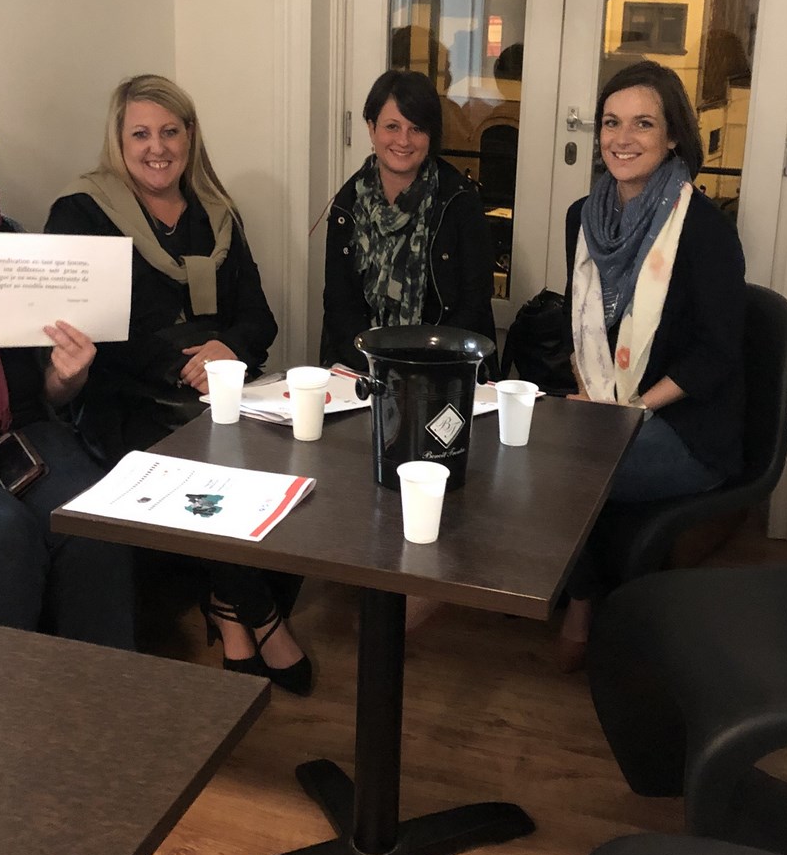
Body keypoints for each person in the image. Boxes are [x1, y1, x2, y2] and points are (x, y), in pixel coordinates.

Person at [45, 74, 311, 693]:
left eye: (170, 131)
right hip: (126, 398)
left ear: (190, 136)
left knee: (298, 449)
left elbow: (259, 318)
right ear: (118, 140)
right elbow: (92, 327)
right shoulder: (81, 212)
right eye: (140, 134)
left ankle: (226, 608)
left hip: (218, 389)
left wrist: (227, 349)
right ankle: (262, 617)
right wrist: (185, 366)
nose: (157, 147)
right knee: (211, 462)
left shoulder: (216, 214)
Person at [0, 76, 134, 647]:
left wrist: (66, 375)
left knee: (96, 521)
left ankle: (104, 691)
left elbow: (41, 395)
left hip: (14, 429)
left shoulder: (10, 239)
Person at [557, 60, 745, 670]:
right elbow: (582, 324)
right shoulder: (582, 217)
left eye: (643, 123)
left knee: (568, 470)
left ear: (672, 138)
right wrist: (589, 399)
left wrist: (628, 411)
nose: (622, 138)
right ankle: (577, 590)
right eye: (611, 122)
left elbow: (716, 354)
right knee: (530, 449)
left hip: (688, 427)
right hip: (610, 404)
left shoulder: (706, 230)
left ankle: (582, 602)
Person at [320, 68, 496, 372]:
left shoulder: (460, 202)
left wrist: (417, 368)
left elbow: (474, 307)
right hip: (363, 367)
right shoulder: (348, 205)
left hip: (447, 368)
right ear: (371, 128)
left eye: (416, 128)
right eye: (392, 126)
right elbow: (339, 307)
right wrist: (378, 366)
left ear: (431, 135)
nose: (403, 140)